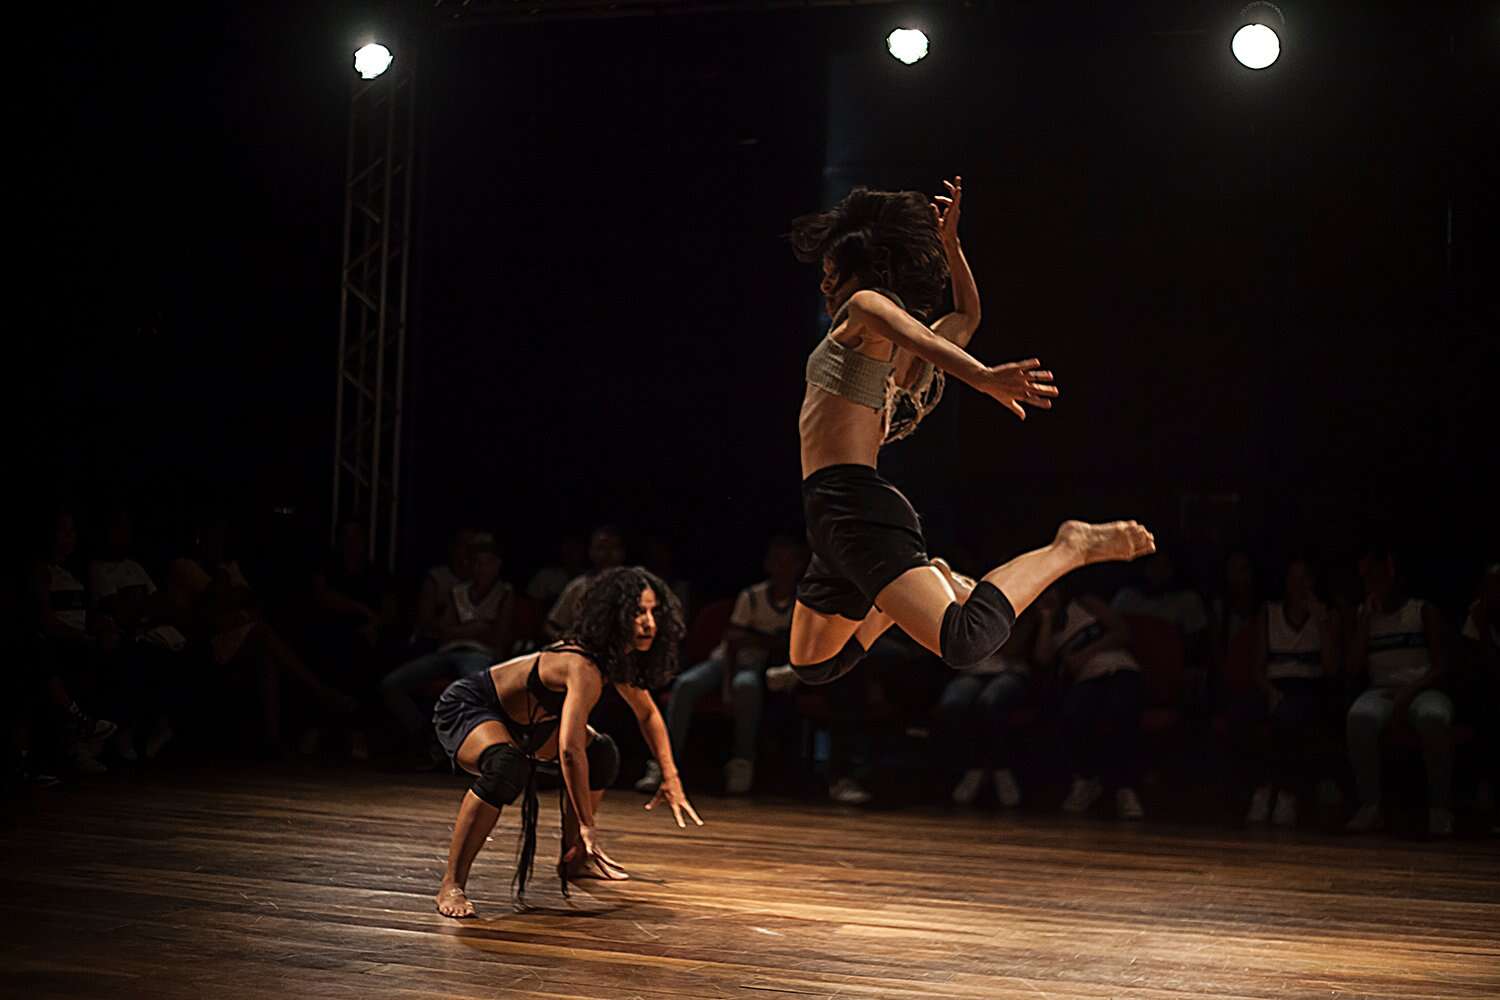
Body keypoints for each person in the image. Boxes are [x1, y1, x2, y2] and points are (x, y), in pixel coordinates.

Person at [781, 178, 1154, 696]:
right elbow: (966, 316)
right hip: (827, 511)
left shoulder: (865, 307)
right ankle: (895, 603)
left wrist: (980, 376)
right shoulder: (888, 362)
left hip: (855, 505)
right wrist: (950, 247)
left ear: (857, 275)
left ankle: (1070, 547)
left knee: (964, 638)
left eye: (829, 274)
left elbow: (919, 330)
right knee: (812, 663)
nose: (824, 286)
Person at [432, 566, 702, 918]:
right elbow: (570, 751)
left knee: (602, 752)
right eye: (638, 612)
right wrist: (589, 825)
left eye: (653, 612)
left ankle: (574, 858)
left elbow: (648, 714)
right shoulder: (582, 665)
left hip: (530, 723)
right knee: (504, 766)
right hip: (473, 707)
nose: (649, 623)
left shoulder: (613, 661)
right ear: (614, 615)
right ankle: (451, 883)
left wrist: (671, 777)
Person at [637, 535, 806, 795]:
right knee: (686, 684)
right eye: (777, 560)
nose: (782, 567)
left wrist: (762, 643)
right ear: (768, 564)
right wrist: (727, 686)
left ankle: (742, 761)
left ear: (798, 565)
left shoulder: (802, 602)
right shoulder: (751, 596)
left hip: (760, 667)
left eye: (788, 561)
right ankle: (663, 764)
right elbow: (733, 644)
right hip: (725, 661)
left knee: (746, 686)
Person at [1344, 544, 1453, 836]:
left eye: (1374, 575)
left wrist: (1411, 690)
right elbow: (1352, 668)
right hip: (1380, 690)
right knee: (1359, 718)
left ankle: (1440, 809)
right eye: (1365, 578)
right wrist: (1364, 622)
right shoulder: (1365, 614)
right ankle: (1370, 807)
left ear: (1390, 571)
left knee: (1434, 717)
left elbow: (1442, 666)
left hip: (1423, 688)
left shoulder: (1421, 611)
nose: (1370, 584)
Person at [380, 533, 514, 760]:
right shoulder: (458, 592)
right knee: (391, 684)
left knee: (477, 693)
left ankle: (482, 752)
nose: (481, 569)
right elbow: (444, 630)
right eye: (477, 563)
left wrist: (467, 629)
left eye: (487, 563)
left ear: (497, 565)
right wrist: (477, 627)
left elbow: (499, 636)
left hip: (479, 655)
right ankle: (424, 736)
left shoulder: (505, 593)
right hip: (448, 651)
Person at [1241, 555, 1340, 827]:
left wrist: (1322, 624)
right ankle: (1262, 789)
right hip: (1272, 685)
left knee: (1291, 717)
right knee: (1247, 713)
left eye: (1303, 578)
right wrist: (1271, 692)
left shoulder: (1325, 615)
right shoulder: (1269, 613)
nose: (1298, 584)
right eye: (1292, 578)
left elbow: (1332, 669)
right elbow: (1257, 667)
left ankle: (1286, 792)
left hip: (1309, 686)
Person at [1034, 584, 1147, 820]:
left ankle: (1125, 788)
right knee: (1073, 715)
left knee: (1120, 712)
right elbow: (1042, 659)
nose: (1048, 596)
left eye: (1051, 590)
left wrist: (1086, 653)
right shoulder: (1052, 628)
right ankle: (1086, 780)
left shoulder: (1085, 602)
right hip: (1087, 680)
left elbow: (1122, 632)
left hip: (1121, 669)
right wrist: (1046, 618)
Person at [544, 525, 626, 640]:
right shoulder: (578, 586)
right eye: (601, 548)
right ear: (591, 552)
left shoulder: (635, 586)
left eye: (613, 547)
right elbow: (552, 625)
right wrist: (566, 640)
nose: (608, 553)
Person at [413, 528, 476, 647]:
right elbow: (425, 622)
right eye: (463, 545)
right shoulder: (437, 579)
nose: (468, 551)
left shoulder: (483, 582)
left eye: (473, 547)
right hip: (435, 646)